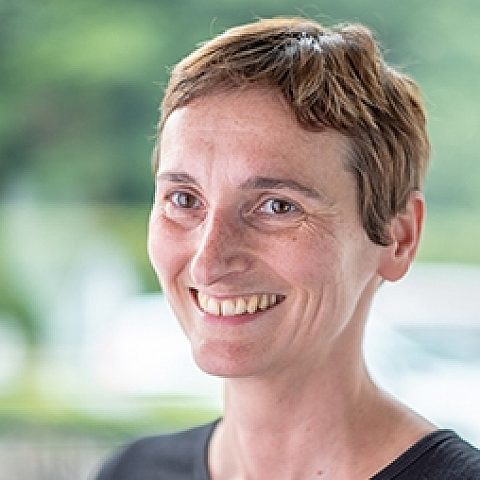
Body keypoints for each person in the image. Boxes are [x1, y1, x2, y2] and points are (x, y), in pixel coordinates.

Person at [96, 17, 480, 479]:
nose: (207, 262)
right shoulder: (132, 471)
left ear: (399, 238)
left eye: (277, 206)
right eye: (184, 199)